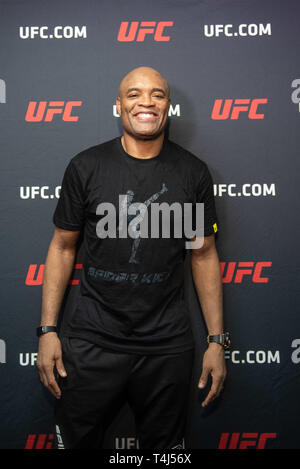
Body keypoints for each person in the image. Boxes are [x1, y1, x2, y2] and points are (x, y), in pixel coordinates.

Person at [36, 66, 229, 450]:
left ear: (168, 107)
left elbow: (203, 254)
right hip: (92, 339)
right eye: (135, 93)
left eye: (157, 94)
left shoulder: (190, 174)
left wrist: (217, 341)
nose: (146, 102)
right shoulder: (87, 167)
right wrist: (47, 330)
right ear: (118, 105)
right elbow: (62, 247)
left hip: (166, 345)